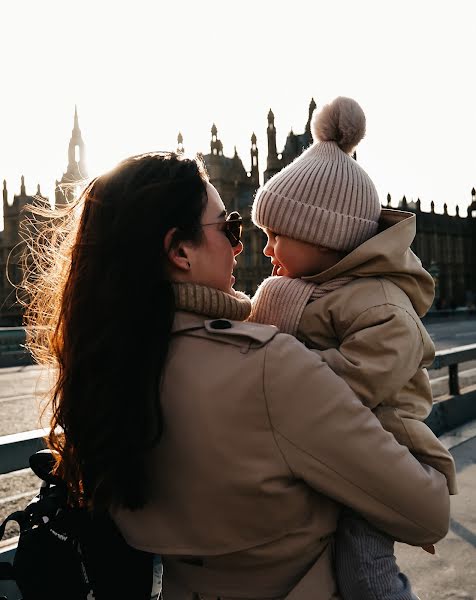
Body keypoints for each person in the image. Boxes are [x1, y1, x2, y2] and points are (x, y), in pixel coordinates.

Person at [23, 150, 450, 600]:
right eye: (229, 228)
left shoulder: (109, 373)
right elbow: (427, 511)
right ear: (180, 250)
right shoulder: (273, 368)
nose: (242, 245)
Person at [249, 96, 457, 600]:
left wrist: (279, 368)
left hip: (391, 450)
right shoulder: (317, 287)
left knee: (367, 576)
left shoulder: (383, 304)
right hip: (340, 450)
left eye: (277, 235)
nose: (265, 249)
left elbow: (352, 381)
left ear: (325, 237)